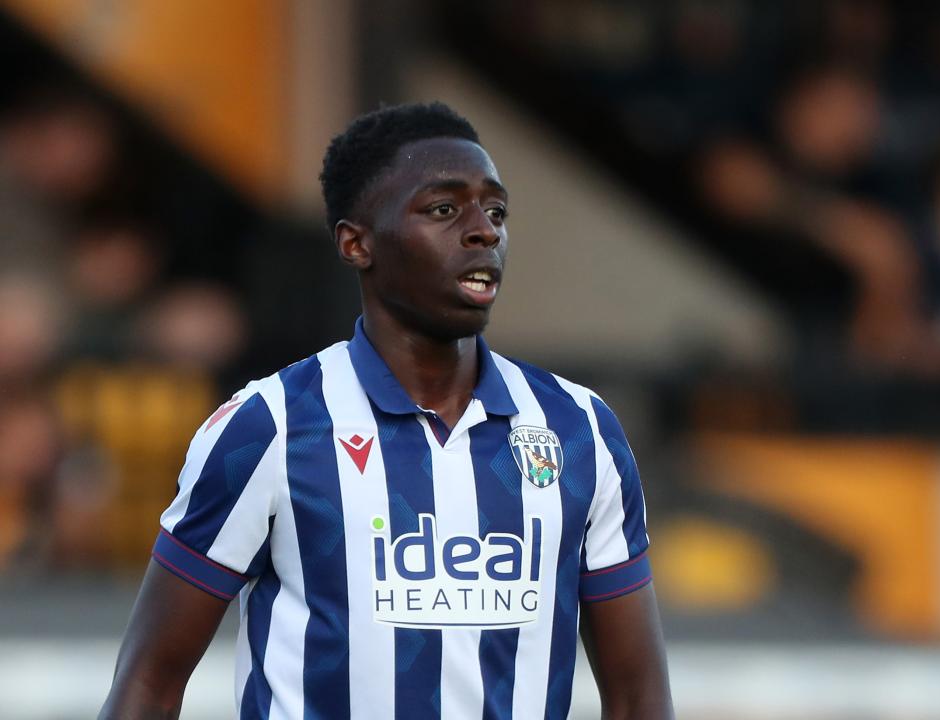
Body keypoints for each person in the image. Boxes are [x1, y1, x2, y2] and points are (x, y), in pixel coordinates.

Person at [99, 102, 673, 719]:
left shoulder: (578, 429)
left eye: (496, 210)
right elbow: (147, 687)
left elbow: (640, 696)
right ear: (356, 243)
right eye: (444, 209)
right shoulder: (270, 426)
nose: (485, 231)